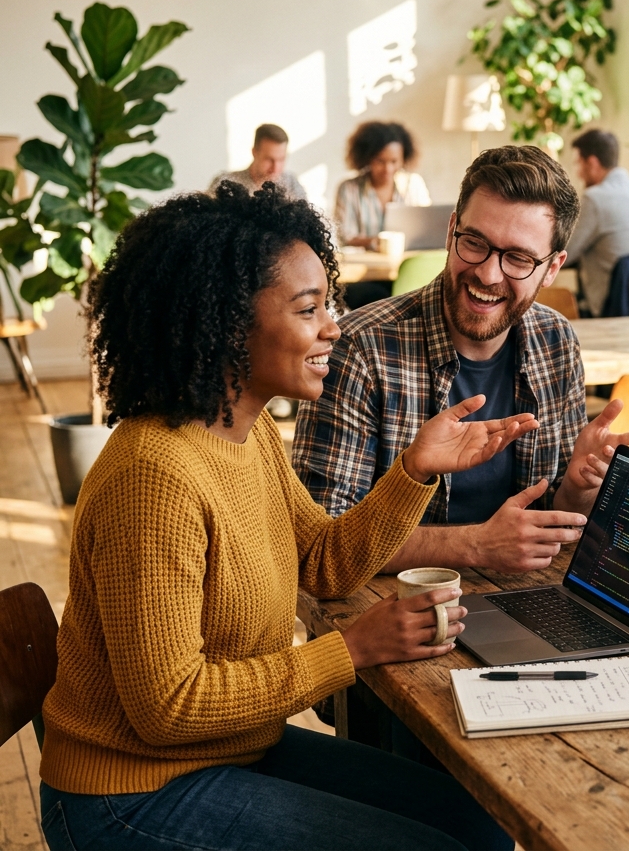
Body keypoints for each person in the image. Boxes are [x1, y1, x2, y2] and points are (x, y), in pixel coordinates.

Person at [38, 182, 517, 851]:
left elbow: (322, 561)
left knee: (479, 826)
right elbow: (167, 708)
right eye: (308, 308)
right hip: (131, 794)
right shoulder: (153, 477)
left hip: (226, 751)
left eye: (331, 304)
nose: (334, 326)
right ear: (229, 324)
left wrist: (415, 470)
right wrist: (350, 650)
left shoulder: (246, 430)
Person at [294, 144, 629, 574]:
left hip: (521, 599)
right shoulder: (361, 349)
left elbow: (551, 517)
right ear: (451, 230)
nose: (488, 274)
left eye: (518, 258)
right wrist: (474, 545)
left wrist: (577, 485)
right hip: (388, 615)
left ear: (552, 269)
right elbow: (319, 545)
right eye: (474, 243)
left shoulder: (556, 341)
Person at [335, 121, 433, 309]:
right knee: (379, 297)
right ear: (367, 158)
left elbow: (426, 231)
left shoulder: (413, 185)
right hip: (364, 277)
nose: (388, 169)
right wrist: (373, 242)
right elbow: (343, 236)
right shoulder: (349, 190)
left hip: (404, 272)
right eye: (380, 161)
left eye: (394, 161)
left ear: (403, 159)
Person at [564, 128, 629, 316]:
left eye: (578, 164)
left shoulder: (594, 199)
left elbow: (566, 252)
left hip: (607, 309)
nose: (578, 174)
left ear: (592, 163)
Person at [207, 123, 307, 199]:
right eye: (269, 159)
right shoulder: (225, 183)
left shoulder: (291, 183)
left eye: (281, 159)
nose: (275, 168)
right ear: (254, 152)